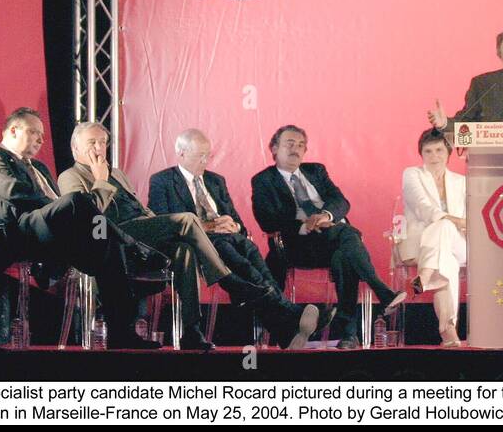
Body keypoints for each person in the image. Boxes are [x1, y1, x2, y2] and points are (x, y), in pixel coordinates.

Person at [58, 122, 316, 350]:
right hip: (113, 238)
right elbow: (88, 219)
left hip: (143, 233)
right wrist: (101, 181)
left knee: (185, 250)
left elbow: (140, 208)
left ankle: (191, 330)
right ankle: (228, 280)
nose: (99, 148)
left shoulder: (117, 173)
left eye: (103, 142)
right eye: (92, 142)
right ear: (75, 149)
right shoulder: (70, 176)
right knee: (188, 219)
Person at [0, 107, 160, 349]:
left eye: (43, 135)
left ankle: (122, 332)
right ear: (14, 130)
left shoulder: (40, 168)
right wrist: (62, 206)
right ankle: (134, 247)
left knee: (107, 246)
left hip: (48, 235)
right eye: (34, 132)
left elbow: (68, 213)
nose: (41, 139)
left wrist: (63, 210)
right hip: (12, 232)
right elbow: (13, 192)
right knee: (75, 200)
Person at [251, 125, 405, 349]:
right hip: (298, 244)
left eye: (301, 145)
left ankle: (349, 336)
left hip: (331, 238)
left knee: (344, 255)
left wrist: (324, 215)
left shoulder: (316, 171)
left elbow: (341, 202)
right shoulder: (263, 180)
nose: (296, 149)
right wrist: (305, 224)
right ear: (274, 149)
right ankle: (379, 293)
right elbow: (267, 219)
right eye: (289, 144)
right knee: (348, 235)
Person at [400, 128, 467, 347]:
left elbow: (470, 216)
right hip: (423, 244)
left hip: (459, 242)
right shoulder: (412, 174)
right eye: (428, 151)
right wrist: (455, 221)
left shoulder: (461, 181)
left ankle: (425, 277)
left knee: (446, 229)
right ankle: (448, 331)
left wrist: (460, 224)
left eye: (439, 150)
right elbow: (423, 208)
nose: (434, 156)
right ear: (421, 154)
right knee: (445, 262)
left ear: (448, 152)